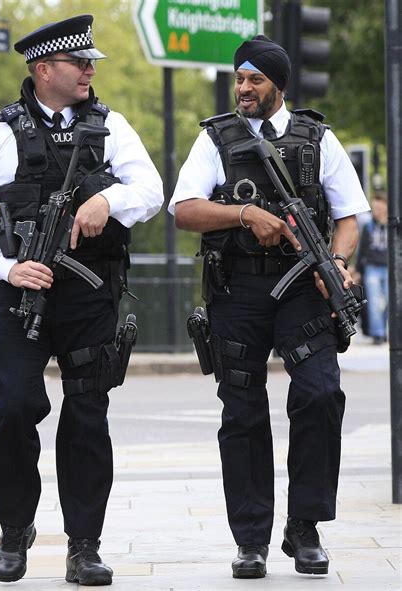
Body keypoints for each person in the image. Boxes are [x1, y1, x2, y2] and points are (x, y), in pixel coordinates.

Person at [0, 14, 163, 586]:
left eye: (91, 62)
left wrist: (109, 202)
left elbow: (151, 189)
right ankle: (15, 526)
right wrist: (8, 267)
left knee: (88, 416)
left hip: (90, 295)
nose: (90, 70)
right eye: (79, 62)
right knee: (16, 406)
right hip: (20, 294)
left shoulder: (109, 125)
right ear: (43, 69)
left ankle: (84, 546)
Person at [170, 35, 369, 579]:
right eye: (239, 78)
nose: (244, 88)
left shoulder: (317, 138)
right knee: (242, 413)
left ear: (278, 84)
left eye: (255, 79)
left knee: (321, 393)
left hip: (304, 287)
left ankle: (304, 527)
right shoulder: (215, 139)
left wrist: (338, 263)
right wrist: (243, 217)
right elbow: (184, 209)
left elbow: (349, 216)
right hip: (236, 291)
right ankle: (251, 539)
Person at [356, 193, 388, 344]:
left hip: (389, 267)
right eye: (374, 207)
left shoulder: (393, 225)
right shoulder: (368, 225)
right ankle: (378, 334)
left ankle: (385, 329)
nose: (377, 210)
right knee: (374, 303)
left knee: (391, 301)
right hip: (372, 267)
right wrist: (357, 269)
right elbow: (362, 249)